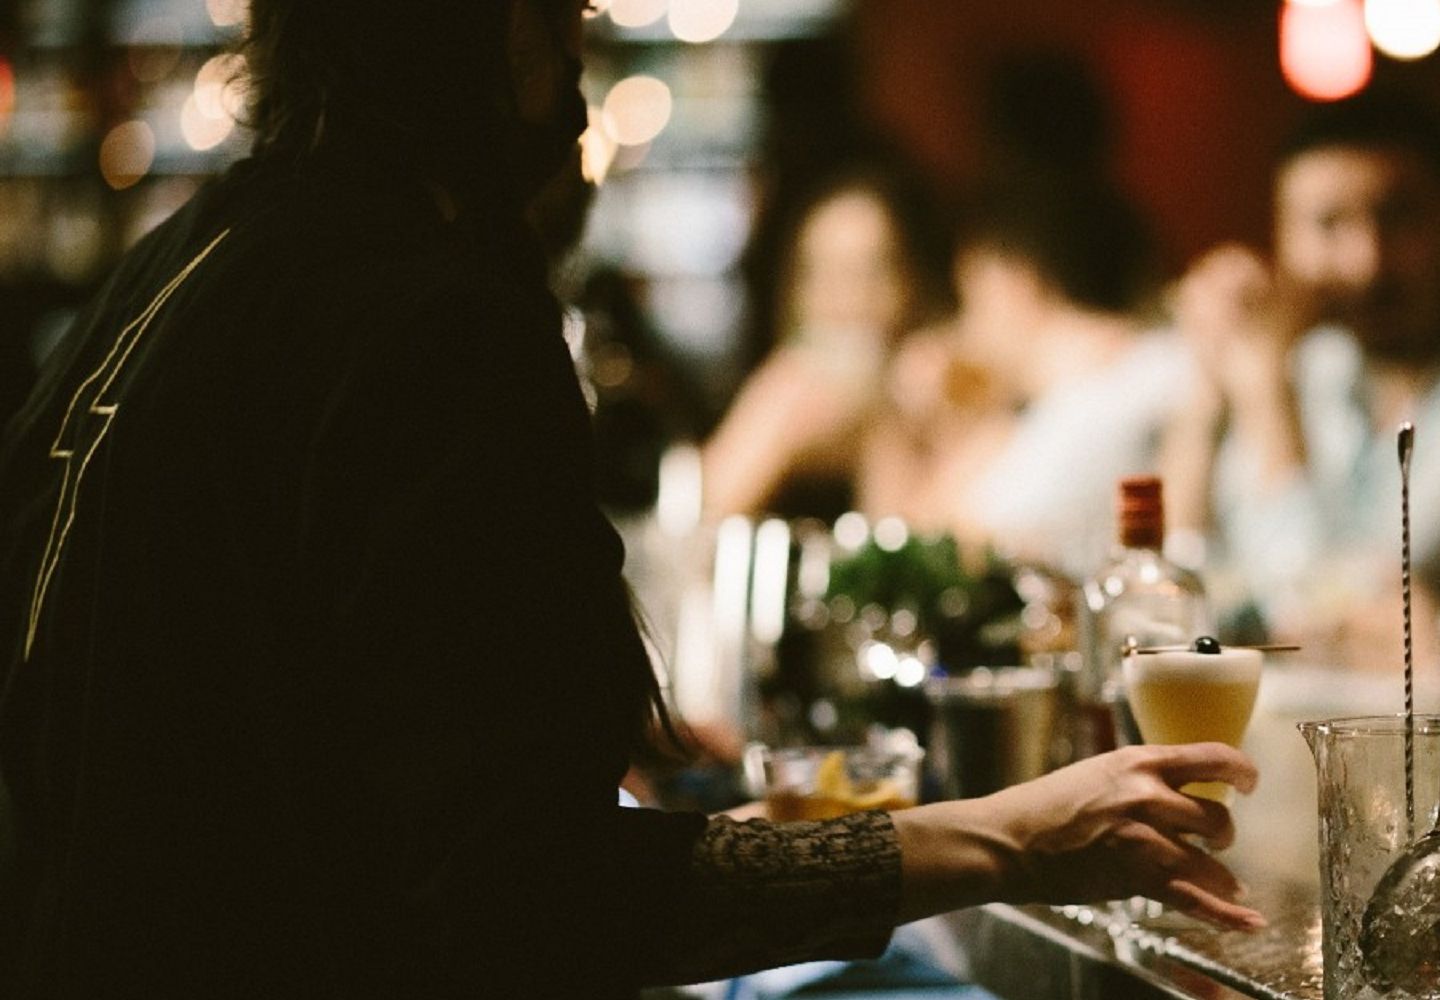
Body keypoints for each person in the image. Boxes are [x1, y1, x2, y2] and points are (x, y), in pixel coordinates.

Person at [0, 3, 1264, 998]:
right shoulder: (435, 319)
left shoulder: (171, 275)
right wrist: (1008, 838)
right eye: (575, 26)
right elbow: (540, 896)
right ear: (497, 29)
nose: (582, 91)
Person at [1161, 93, 1440, 665]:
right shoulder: (1317, 366)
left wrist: (1265, 394)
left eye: (1400, 217)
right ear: (1282, 239)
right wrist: (1207, 388)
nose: (1368, 262)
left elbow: (1327, 595)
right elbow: (1182, 583)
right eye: (1329, 224)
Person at [864, 179, 1190, 578]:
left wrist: (897, 431)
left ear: (1012, 279)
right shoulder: (1063, 405)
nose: (962, 326)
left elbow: (920, 556)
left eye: (968, 297)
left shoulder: (1118, 390)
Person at [700, 164, 950, 521]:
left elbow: (905, 550)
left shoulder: (942, 396)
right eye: (822, 273)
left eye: (868, 272)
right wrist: (779, 437)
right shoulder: (785, 387)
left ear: (910, 284)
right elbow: (699, 516)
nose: (846, 299)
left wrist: (883, 427)